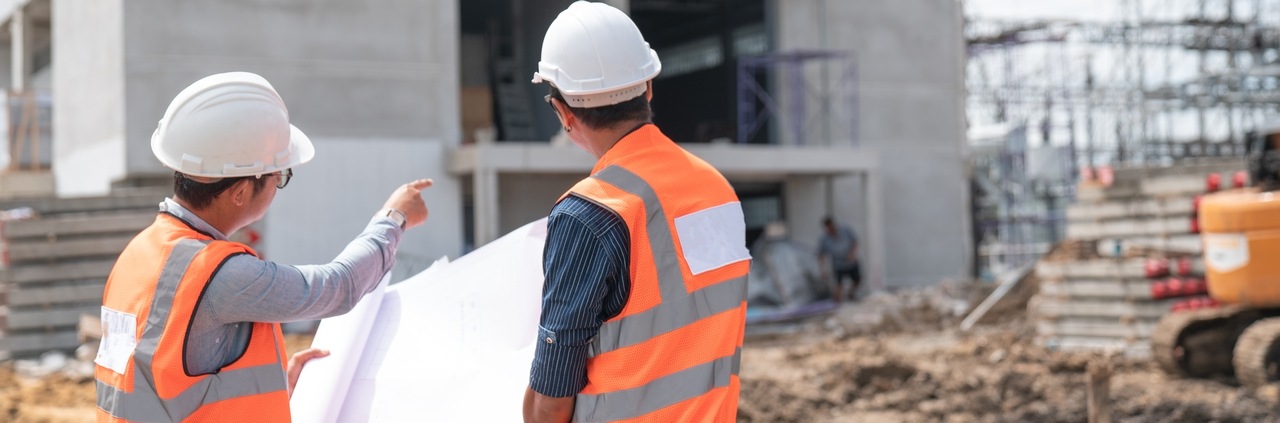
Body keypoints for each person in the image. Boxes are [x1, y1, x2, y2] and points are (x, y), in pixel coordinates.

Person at [93, 72, 433, 422]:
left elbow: (160, 380)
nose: (278, 185)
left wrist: (272, 386)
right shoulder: (219, 275)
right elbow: (338, 286)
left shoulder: (140, 254)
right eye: (278, 176)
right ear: (240, 192)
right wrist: (393, 218)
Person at [522, 3, 752, 422]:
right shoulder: (716, 189)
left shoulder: (588, 215)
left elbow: (552, 400)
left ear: (563, 113)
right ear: (648, 86)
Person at [818, 216, 862, 303]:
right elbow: (821, 255)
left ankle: (851, 293)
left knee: (857, 280)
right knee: (838, 285)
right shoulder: (824, 239)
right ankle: (836, 304)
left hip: (850, 262)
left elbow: (855, 242)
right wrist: (822, 270)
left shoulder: (845, 231)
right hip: (838, 264)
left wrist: (852, 253)